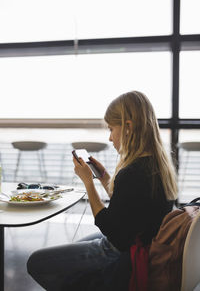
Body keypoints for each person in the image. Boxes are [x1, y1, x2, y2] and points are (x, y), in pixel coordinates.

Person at [27, 91, 178, 290]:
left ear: (127, 127)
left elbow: (110, 228)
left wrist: (89, 183)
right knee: (74, 251)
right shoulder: (156, 164)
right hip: (138, 241)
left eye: (111, 129)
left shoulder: (132, 173)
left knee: (36, 263)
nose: (109, 138)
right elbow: (129, 209)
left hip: (120, 249)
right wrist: (104, 177)